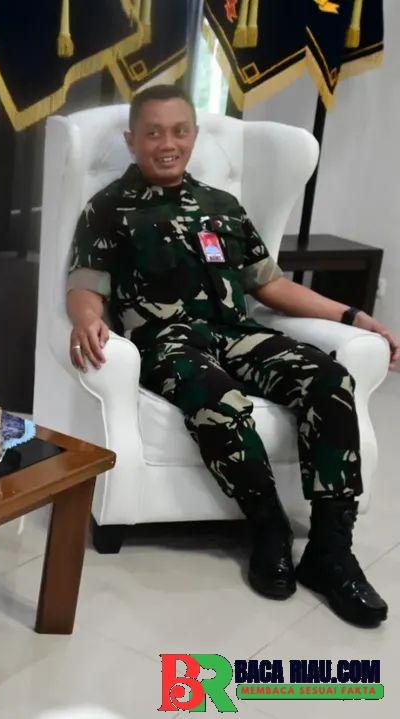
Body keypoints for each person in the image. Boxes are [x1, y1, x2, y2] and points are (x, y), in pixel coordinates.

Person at [66, 84, 397, 627]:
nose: (167, 144)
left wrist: (353, 316)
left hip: (237, 333)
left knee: (330, 380)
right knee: (219, 402)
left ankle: (331, 552)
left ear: (194, 136)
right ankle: (268, 528)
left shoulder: (223, 206)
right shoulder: (107, 209)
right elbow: (85, 284)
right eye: (153, 133)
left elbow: (270, 285)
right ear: (132, 141)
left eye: (179, 131)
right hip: (167, 341)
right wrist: (86, 318)